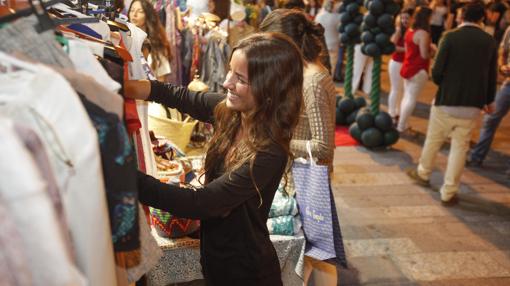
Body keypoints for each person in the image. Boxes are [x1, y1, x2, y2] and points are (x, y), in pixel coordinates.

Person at [125, 32, 304, 285]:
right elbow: (182, 97)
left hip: (247, 275)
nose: (227, 82)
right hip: (216, 265)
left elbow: (201, 204)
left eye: (240, 78)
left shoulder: (269, 152)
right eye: (231, 71)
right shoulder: (231, 112)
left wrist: (122, 176)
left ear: (269, 90)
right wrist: (127, 87)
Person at [260, 9, 346, 286]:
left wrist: (279, 140)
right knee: (311, 252)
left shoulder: (313, 80)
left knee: (317, 253)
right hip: (299, 175)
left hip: (308, 179)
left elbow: (323, 146)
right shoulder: (302, 73)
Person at [406, 2, 497, 205]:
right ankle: (448, 192)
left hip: (446, 101)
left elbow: (436, 72)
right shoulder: (489, 41)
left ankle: (423, 173)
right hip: (473, 105)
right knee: (460, 148)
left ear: (462, 15)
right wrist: (489, 100)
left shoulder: (450, 37)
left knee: (434, 140)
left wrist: (445, 83)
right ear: (481, 18)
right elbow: (491, 76)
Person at [467, 24, 510, 173]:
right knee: (490, 119)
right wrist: (502, 66)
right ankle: (477, 157)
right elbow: (503, 51)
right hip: (508, 84)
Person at [397, 6, 436, 133]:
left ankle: (402, 123)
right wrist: (434, 50)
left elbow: (409, 50)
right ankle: (401, 125)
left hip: (408, 66)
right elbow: (424, 55)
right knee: (411, 98)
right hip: (418, 69)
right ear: (427, 18)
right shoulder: (423, 33)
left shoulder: (410, 30)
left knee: (406, 96)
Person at [128, 0, 172, 81]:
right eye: (132, 10)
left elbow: (161, 81)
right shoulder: (124, 39)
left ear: (148, 15)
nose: (134, 15)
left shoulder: (157, 46)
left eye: (140, 11)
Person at [388, 8, 414, 125]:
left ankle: (398, 113)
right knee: (395, 89)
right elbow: (391, 46)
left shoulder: (413, 30)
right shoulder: (399, 30)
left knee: (404, 90)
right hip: (396, 63)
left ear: (413, 19)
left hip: (407, 64)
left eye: (407, 18)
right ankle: (391, 114)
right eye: (402, 18)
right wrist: (408, 50)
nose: (404, 20)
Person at [315, 0, 341, 76]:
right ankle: (330, 81)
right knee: (332, 66)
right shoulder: (338, 17)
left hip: (322, 44)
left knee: (321, 66)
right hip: (334, 44)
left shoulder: (319, 16)